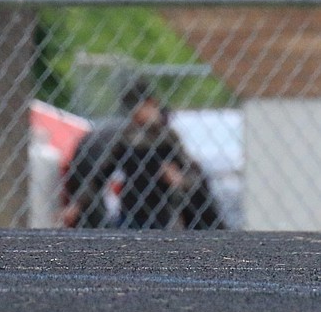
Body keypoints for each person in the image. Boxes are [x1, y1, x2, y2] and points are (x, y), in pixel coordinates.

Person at [61, 78, 225, 230]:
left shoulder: (167, 138)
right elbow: (100, 175)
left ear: (151, 104)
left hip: (161, 213)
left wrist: (178, 179)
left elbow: (192, 174)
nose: (135, 115)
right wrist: (76, 205)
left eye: (138, 109)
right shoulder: (128, 137)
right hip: (131, 211)